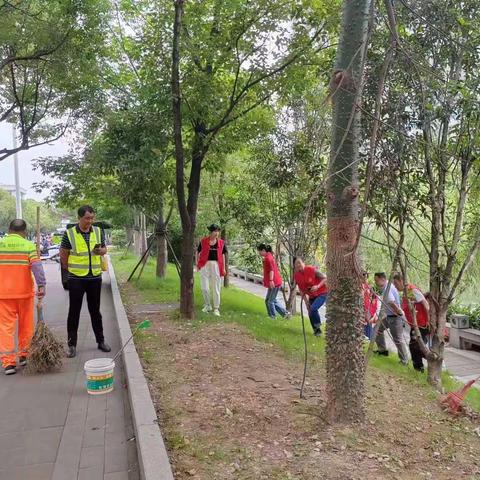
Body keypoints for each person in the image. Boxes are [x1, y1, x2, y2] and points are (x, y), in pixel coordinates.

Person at [60, 206, 110, 358]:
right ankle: (72, 345)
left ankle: (101, 341)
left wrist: (102, 251)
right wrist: (70, 270)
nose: (90, 221)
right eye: (87, 218)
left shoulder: (97, 231)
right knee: (74, 312)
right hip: (76, 278)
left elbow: (104, 249)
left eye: (92, 218)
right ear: (79, 218)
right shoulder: (69, 234)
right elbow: (63, 254)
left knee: (95, 311)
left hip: (94, 277)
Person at [0, 219, 46, 375]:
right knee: (26, 325)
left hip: (3, 295)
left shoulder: (1, 244)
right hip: (24, 293)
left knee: (5, 328)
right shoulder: (28, 246)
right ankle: (24, 356)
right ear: (24, 231)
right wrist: (41, 285)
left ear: (9, 229)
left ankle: (8, 364)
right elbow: (37, 267)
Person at [393, 273, 430, 372]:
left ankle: (424, 365)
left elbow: (425, 305)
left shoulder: (411, 290)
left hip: (422, 324)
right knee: (415, 346)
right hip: (415, 325)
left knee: (415, 346)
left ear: (401, 281)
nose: (396, 287)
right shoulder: (407, 291)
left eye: (396, 284)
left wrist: (429, 322)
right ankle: (421, 366)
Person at [373, 272, 409, 365]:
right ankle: (382, 350)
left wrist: (399, 312)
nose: (375, 282)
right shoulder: (388, 285)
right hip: (389, 316)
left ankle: (404, 360)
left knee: (397, 339)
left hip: (395, 317)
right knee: (377, 329)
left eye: (377, 280)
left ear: (382, 279)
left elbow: (392, 302)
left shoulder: (387, 288)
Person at [196, 224, 227, 316]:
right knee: (204, 287)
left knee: (216, 287)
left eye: (218, 231)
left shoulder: (221, 242)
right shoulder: (203, 241)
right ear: (211, 232)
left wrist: (224, 268)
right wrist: (197, 263)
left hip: (216, 265)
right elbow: (197, 252)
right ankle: (207, 305)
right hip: (204, 265)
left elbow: (223, 255)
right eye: (215, 231)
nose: (217, 233)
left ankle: (216, 309)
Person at [293, 257, 327, 336]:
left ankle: (318, 325)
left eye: (299, 262)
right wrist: (306, 302)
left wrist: (317, 286)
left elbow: (325, 278)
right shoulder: (297, 276)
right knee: (310, 312)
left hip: (322, 292)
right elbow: (301, 290)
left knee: (313, 308)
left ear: (303, 262)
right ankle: (317, 332)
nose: (298, 265)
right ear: (294, 266)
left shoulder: (311, 269)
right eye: (296, 264)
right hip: (311, 296)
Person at [257, 244, 290, 320]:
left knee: (270, 301)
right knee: (270, 300)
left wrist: (271, 281)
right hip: (274, 282)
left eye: (259, 251)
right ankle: (285, 314)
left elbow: (271, 270)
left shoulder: (268, 258)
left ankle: (273, 317)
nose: (259, 253)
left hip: (274, 282)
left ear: (263, 250)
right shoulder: (267, 257)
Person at [362, 271, 378, 340]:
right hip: (364, 308)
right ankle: (367, 337)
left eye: (366, 276)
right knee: (365, 324)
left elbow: (373, 299)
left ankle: (369, 338)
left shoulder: (367, 285)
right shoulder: (362, 285)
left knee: (368, 323)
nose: (365, 278)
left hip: (368, 309)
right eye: (364, 276)